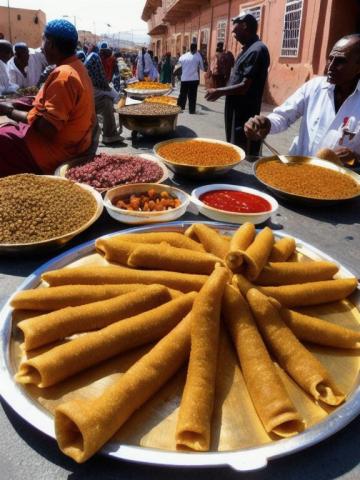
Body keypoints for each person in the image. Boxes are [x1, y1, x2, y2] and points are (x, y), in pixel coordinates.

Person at [244, 34, 360, 166]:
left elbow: (356, 158)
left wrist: (355, 157)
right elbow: (284, 116)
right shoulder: (315, 87)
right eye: (330, 59)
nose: (330, 67)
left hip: (341, 179)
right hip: (299, 168)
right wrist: (266, 123)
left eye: (340, 61)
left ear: (358, 67)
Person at [0, 19, 96, 177]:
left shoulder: (64, 75)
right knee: (8, 129)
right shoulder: (77, 67)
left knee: (3, 139)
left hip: (54, 152)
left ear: (50, 44)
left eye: (43, 41)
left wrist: (9, 111)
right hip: (73, 143)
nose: (42, 47)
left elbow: (48, 128)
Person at [205, 14, 270, 155]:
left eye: (235, 28)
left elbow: (245, 86)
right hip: (235, 108)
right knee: (233, 145)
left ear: (244, 25)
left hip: (244, 112)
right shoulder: (248, 48)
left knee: (243, 149)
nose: (233, 33)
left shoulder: (257, 50)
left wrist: (219, 91)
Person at [83, 51, 123, 144]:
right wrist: (123, 98)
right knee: (107, 102)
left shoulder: (83, 76)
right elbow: (116, 97)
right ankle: (110, 135)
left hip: (83, 106)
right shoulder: (101, 86)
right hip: (85, 109)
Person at [177, 43, 204, 114]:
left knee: (182, 94)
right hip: (194, 79)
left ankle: (179, 108)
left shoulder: (183, 56)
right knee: (192, 96)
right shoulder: (198, 56)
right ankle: (191, 110)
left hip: (184, 79)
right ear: (195, 49)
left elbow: (177, 66)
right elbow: (202, 68)